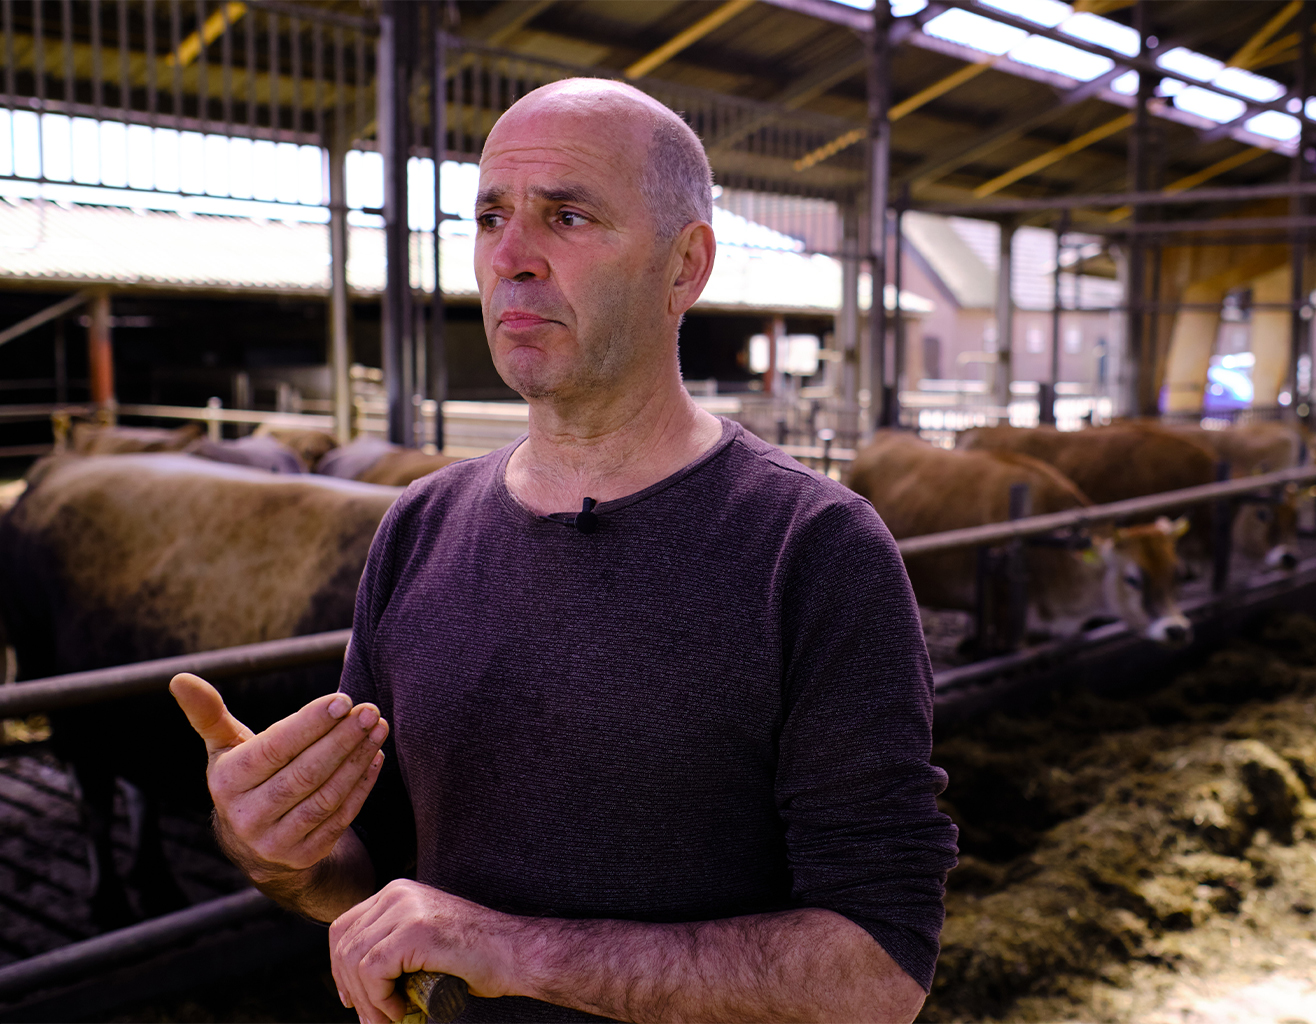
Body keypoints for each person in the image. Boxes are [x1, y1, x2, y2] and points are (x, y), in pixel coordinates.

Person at [172, 78, 957, 1024]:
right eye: (491, 216)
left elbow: (878, 971)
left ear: (684, 267)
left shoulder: (814, 552)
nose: (511, 257)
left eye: (568, 216)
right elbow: (369, 877)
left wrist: (513, 951)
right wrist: (273, 842)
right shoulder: (421, 527)